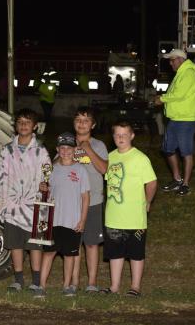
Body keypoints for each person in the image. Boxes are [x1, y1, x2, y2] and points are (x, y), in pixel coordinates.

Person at [0, 108, 50, 292]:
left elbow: (47, 173)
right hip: (13, 206)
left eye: (28, 122)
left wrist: (45, 185)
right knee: (15, 244)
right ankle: (18, 279)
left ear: (35, 127)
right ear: (16, 126)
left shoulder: (41, 151)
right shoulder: (7, 150)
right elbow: (0, 175)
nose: (24, 125)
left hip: (35, 206)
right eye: (20, 122)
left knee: (35, 245)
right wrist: (0, 200)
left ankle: (36, 280)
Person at [101, 120, 157, 297]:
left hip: (134, 217)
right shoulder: (110, 157)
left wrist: (148, 201)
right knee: (115, 254)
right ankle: (114, 286)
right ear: (113, 136)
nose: (121, 138)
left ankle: (135, 287)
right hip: (113, 216)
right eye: (117, 134)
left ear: (132, 136)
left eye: (124, 134)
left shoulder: (140, 158)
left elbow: (152, 182)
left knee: (136, 254)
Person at [34, 132, 90, 298]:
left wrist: (83, 219)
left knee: (69, 254)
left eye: (69, 148)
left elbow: (85, 197)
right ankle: (41, 286)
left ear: (75, 150)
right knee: (49, 253)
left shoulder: (80, 169)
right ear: (57, 149)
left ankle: (67, 286)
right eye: (62, 148)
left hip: (72, 221)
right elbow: (44, 190)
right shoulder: (51, 169)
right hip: (53, 220)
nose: (66, 151)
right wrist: (42, 187)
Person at [154, 48, 195, 196]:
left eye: (172, 59)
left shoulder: (189, 73)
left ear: (180, 59)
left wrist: (161, 99)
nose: (170, 62)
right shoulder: (180, 74)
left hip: (186, 119)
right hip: (175, 118)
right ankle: (177, 179)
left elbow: (179, 94)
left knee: (186, 152)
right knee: (168, 149)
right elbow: (175, 94)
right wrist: (163, 97)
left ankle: (185, 184)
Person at [71, 107, 108, 293]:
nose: (82, 124)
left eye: (86, 121)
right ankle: (74, 282)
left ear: (92, 124)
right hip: (72, 203)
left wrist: (87, 149)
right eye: (78, 120)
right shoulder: (67, 143)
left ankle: (92, 283)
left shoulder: (99, 145)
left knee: (91, 243)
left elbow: (103, 169)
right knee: (74, 244)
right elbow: (55, 169)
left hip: (93, 201)